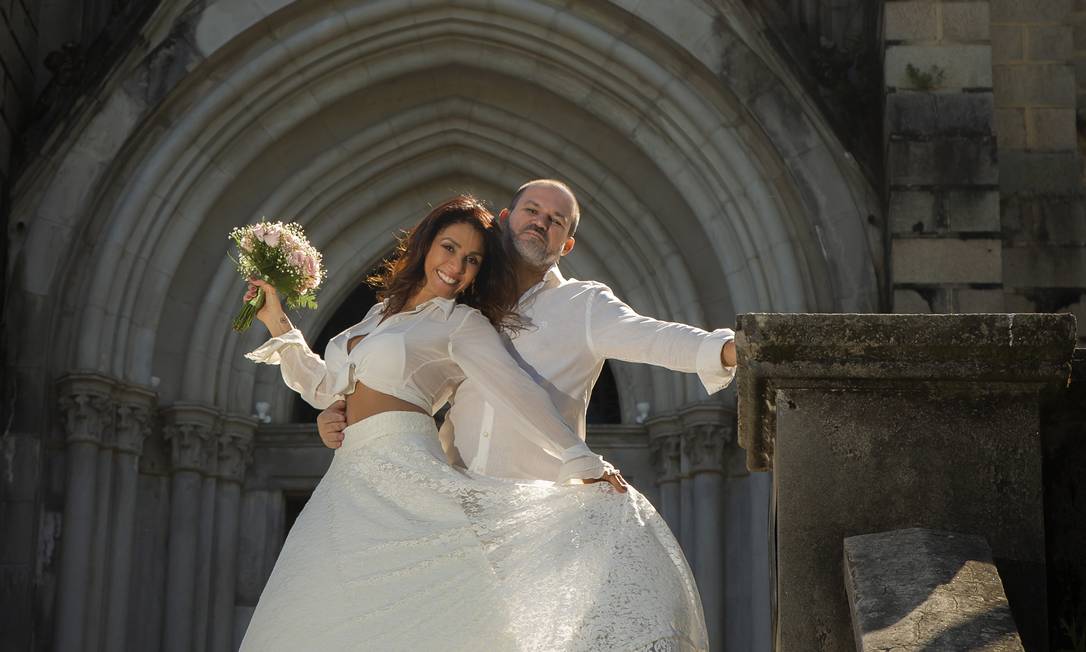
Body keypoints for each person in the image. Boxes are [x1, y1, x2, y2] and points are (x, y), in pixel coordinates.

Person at [239, 195, 709, 651]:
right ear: (425, 245)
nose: (458, 266)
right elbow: (324, 387)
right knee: (335, 612)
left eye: (473, 260)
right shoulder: (378, 314)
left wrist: (579, 458)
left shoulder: (462, 323)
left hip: (407, 473)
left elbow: (519, 391)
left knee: (436, 614)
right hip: (348, 479)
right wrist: (278, 322)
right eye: (450, 249)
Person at [317, 179, 737, 484]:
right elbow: (405, 381)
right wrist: (341, 415)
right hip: (453, 492)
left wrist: (731, 349)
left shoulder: (584, 305)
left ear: (566, 245)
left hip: (536, 504)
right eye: (531, 211)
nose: (541, 222)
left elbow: (653, 336)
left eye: (556, 220)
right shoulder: (460, 300)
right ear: (505, 220)